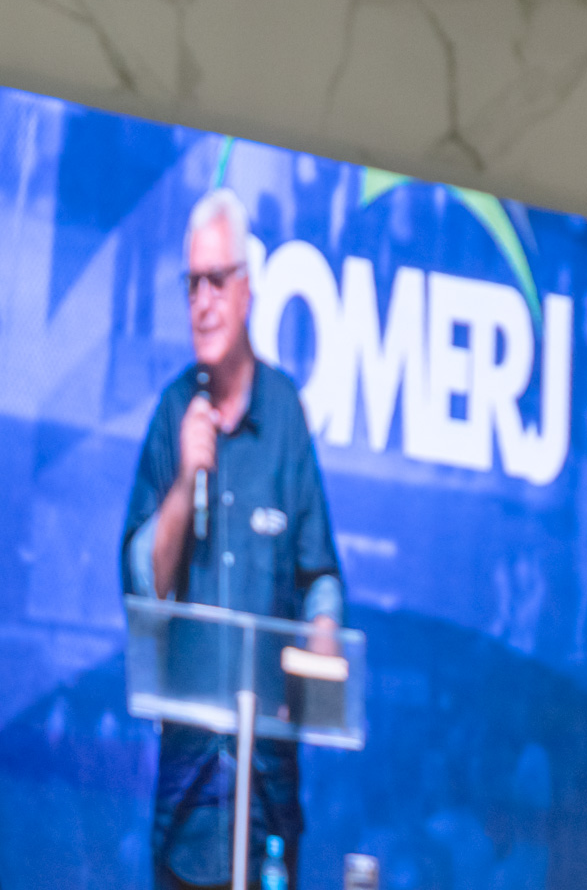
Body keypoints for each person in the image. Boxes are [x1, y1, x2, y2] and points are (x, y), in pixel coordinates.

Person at [122, 188, 344, 890]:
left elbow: (319, 576)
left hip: (267, 791)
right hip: (188, 798)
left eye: (216, 281)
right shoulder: (172, 411)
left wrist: (325, 635)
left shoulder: (285, 413)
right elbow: (143, 586)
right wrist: (185, 483)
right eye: (192, 284)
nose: (203, 302)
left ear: (248, 288)